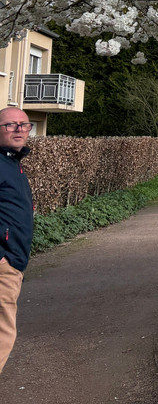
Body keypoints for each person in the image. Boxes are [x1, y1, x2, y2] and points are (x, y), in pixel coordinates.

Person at [0, 107, 33, 374]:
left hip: (11, 261)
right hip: (4, 263)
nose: (19, 129)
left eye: (24, 125)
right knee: (2, 336)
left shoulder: (11, 164)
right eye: (11, 125)